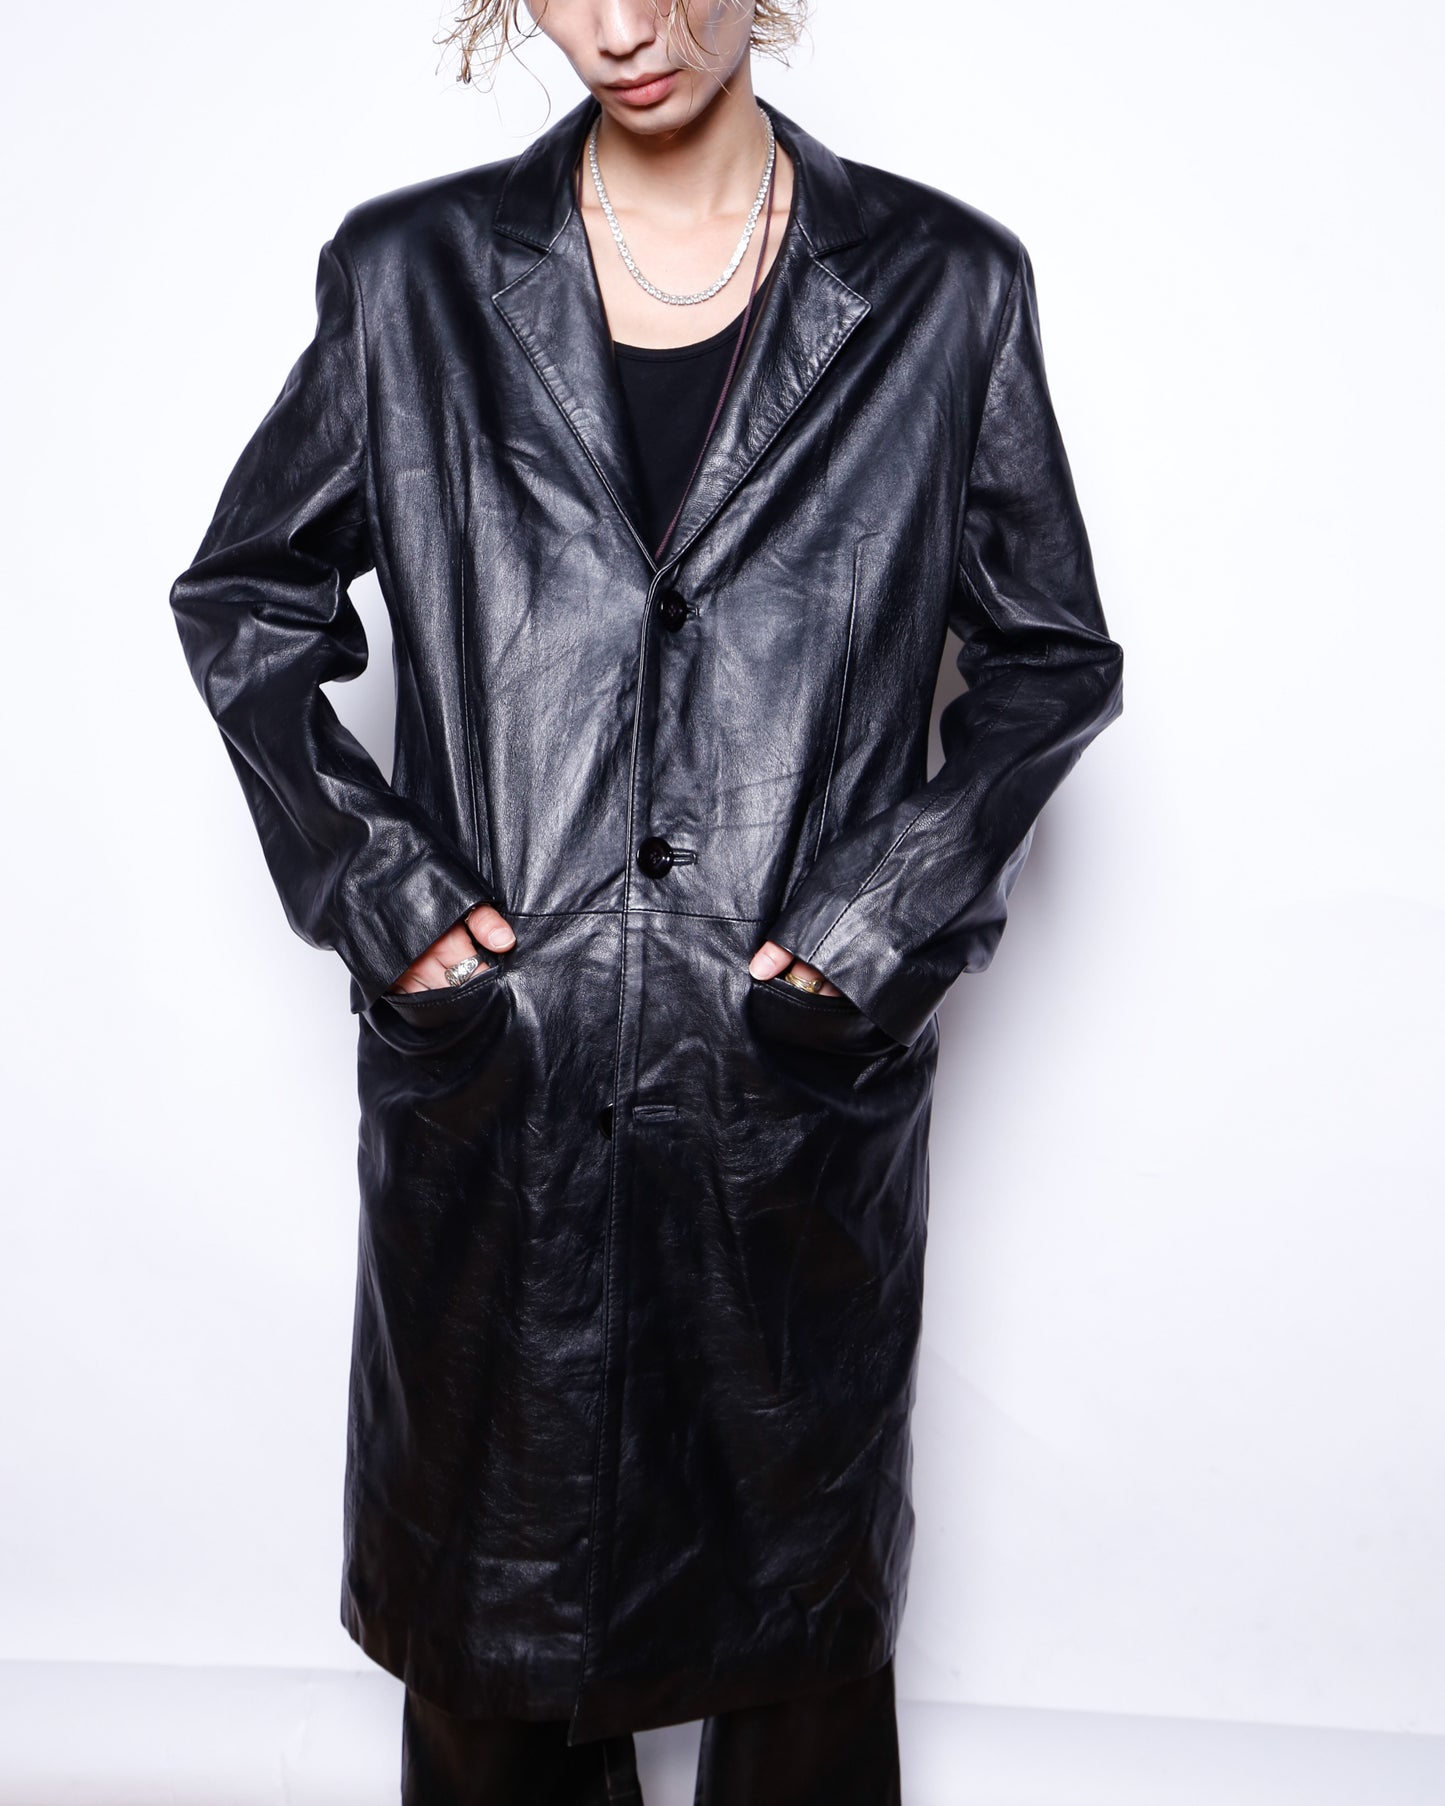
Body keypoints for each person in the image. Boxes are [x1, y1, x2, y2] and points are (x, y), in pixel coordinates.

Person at [168, 1, 1125, 1799]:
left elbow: (1047, 659)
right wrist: (383, 888)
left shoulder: (943, 288)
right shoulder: (412, 277)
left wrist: (869, 928)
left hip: (783, 1097)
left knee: (800, 1643)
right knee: (495, 1633)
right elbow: (248, 600)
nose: (617, 29)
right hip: (505, 1087)